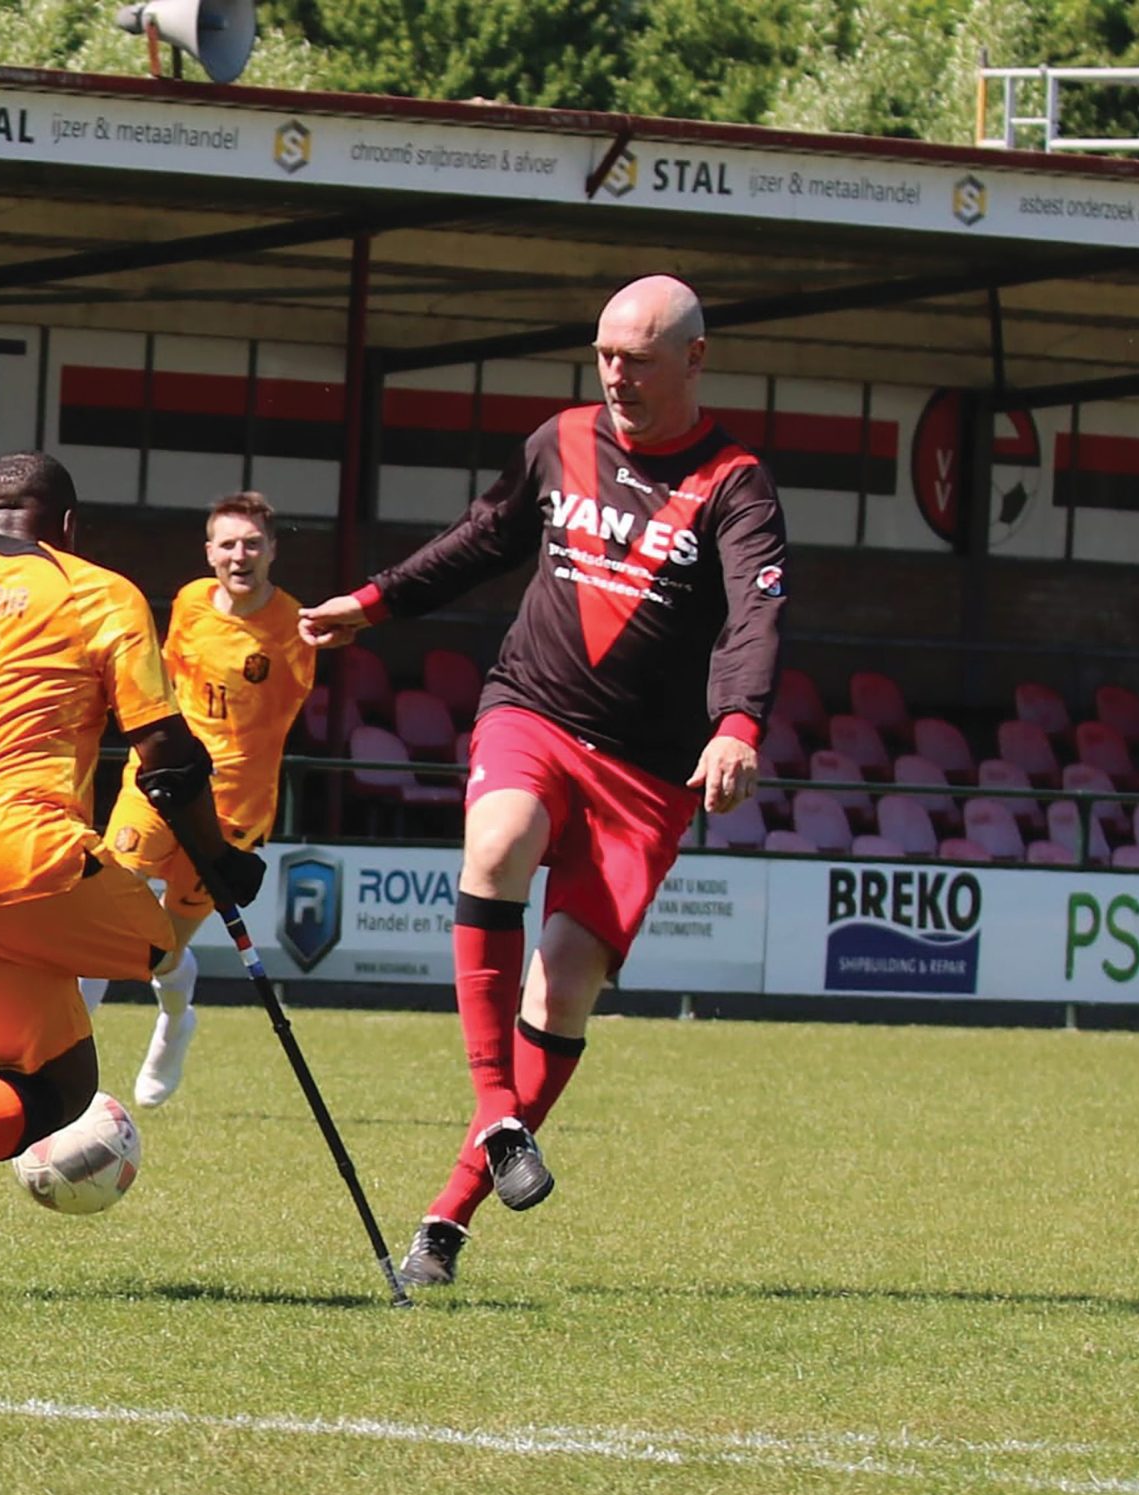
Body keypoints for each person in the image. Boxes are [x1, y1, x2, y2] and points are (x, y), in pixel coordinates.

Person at [298, 275, 786, 1288]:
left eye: (639, 359)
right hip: (533, 707)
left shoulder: (737, 482)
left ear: (693, 360)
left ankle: (444, 1219)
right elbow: (483, 537)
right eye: (605, 355)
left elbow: (754, 616)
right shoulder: (557, 440)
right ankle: (496, 1110)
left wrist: (737, 722)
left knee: (562, 985)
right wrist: (375, 602)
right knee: (496, 838)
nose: (616, 376)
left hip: (649, 771)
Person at [0, 452, 263, 1281]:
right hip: (31, 859)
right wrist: (220, 860)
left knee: (57, 1080)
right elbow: (167, 756)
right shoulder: (94, 589)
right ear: (69, 528)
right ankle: (169, 1020)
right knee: (160, 949)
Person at [80, 491, 315, 1107]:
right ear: (210, 552)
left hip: (234, 810)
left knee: (161, 948)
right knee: (105, 910)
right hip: (160, 782)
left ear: (272, 551)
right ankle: (61, 1072)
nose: (241, 555)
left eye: (253, 544)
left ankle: (175, 1019)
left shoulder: (295, 628)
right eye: (229, 544)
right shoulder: (187, 602)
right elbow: (168, 677)